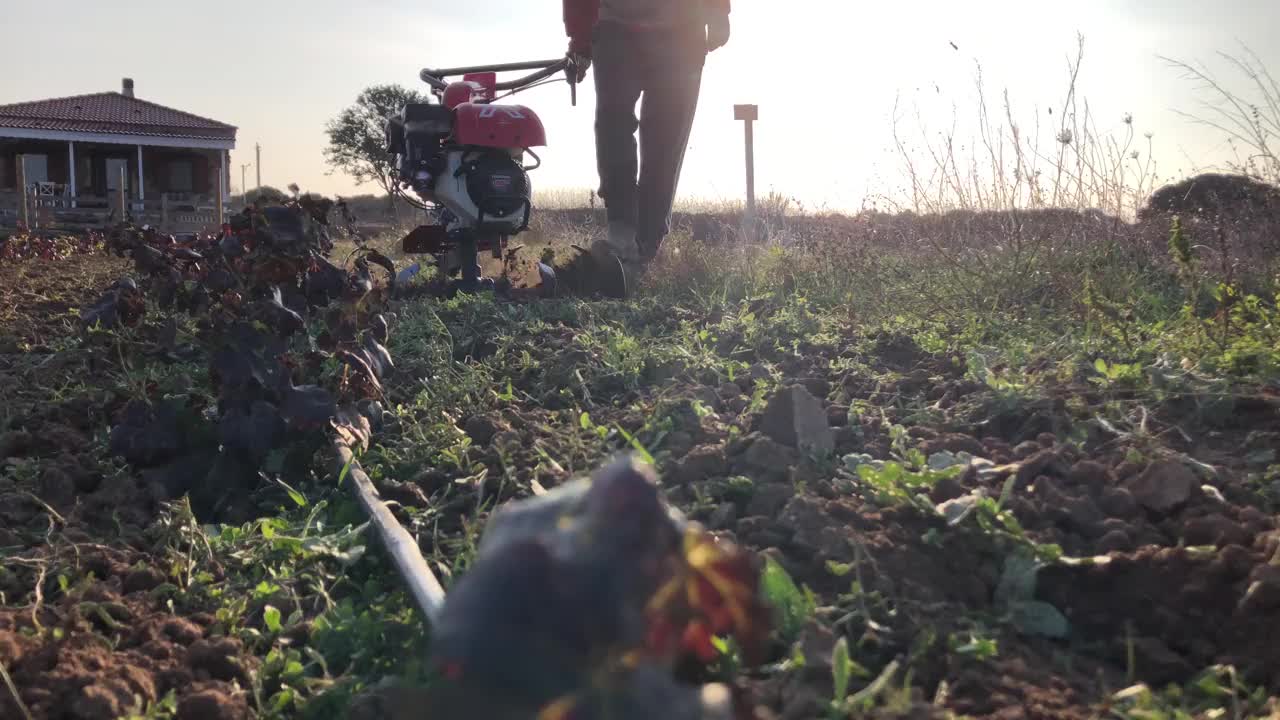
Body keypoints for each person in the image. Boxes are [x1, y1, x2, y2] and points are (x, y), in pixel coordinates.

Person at [563, 0, 731, 290]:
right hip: (615, 27)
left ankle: (646, 246)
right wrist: (579, 37)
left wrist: (718, 10)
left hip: (682, 29)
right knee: (613, 124)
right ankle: (622, 232)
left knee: (665, 143)